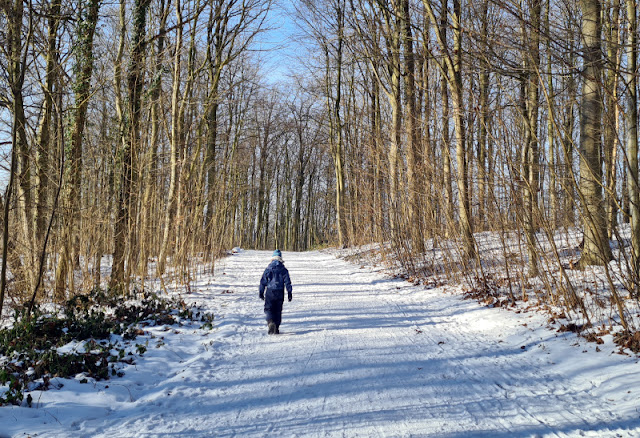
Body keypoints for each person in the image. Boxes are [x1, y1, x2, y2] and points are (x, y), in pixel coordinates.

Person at [259, 249, 293, 334]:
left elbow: (263, 281)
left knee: (269, 308)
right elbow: (287, 282)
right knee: (278, 310)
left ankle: (270, 322)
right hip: (280, 292)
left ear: (272, 258)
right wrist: (289, 292)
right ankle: (276, 327)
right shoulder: (284, 269)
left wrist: (261, 292)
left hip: (270, 291)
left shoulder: (268, 269)